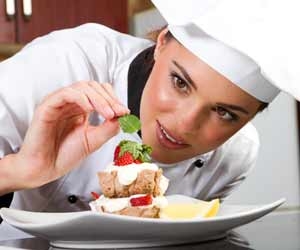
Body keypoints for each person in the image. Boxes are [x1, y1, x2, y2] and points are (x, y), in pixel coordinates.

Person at [0, 0, 297, 212]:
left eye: (224, 113)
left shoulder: (233, 158)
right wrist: (22, 170)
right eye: (180, 82)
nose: (183, 124)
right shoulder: (64, 63)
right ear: (163, 42)